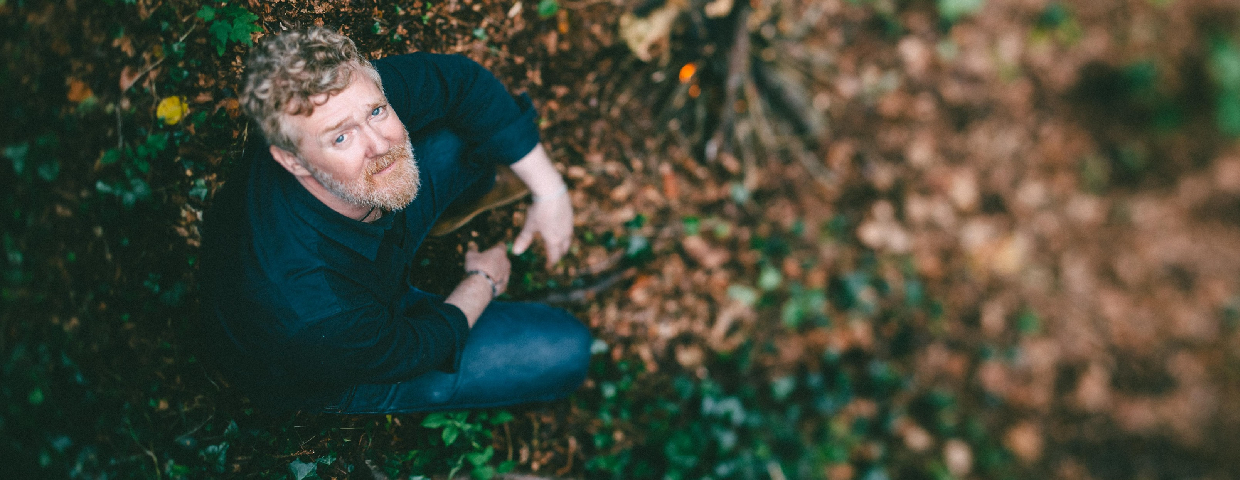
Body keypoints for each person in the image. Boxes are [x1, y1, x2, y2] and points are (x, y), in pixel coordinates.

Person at [196, 27, 592, 414]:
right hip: (352, 357)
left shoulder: (342, 97)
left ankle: (448, 211)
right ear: (293, 161)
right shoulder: (313, 305)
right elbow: (415, 350)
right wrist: (482, 282)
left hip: (369, 236)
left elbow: (460, 81)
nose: (381, 144)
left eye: (377, 112)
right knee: (568, 349)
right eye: (341, 138)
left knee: (477, 135)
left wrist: (550, 190)